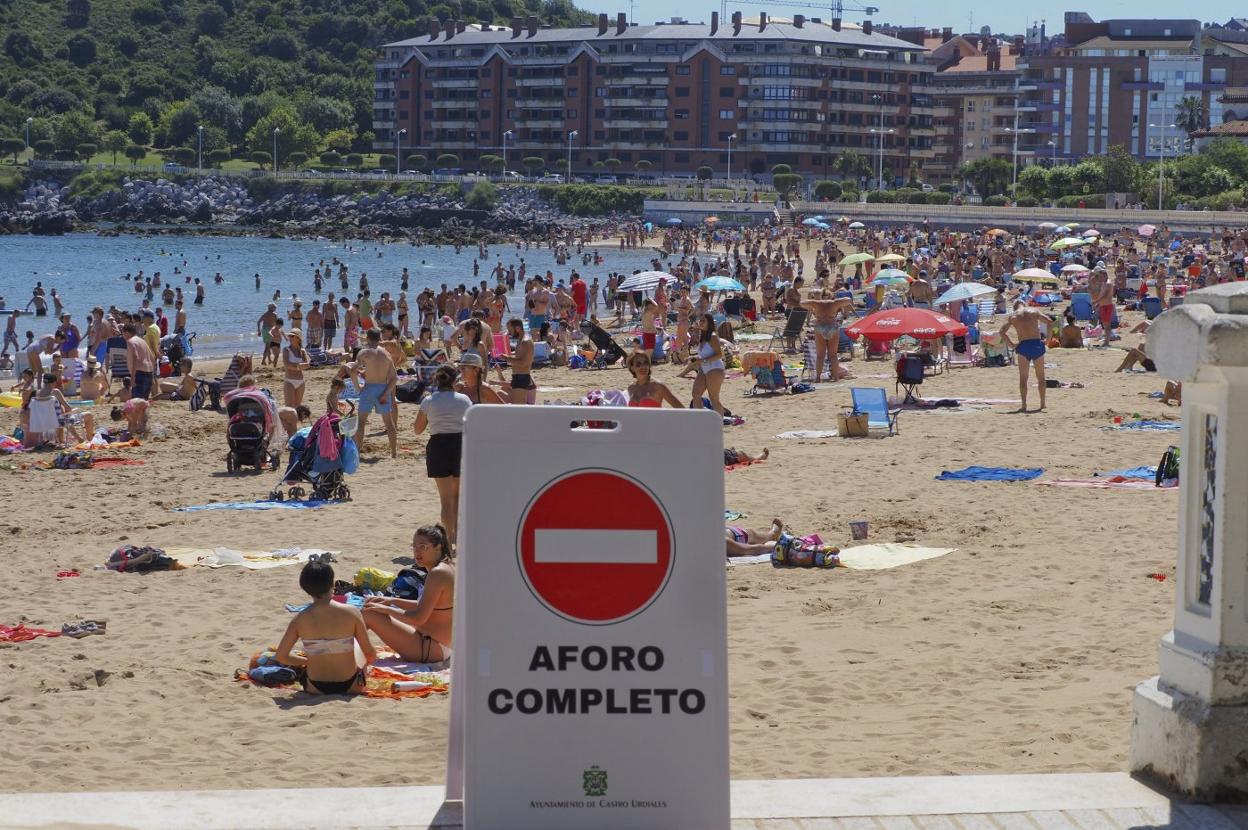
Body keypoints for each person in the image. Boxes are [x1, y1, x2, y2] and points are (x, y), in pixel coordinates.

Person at [276, 558, 377, 695]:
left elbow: (281, 656)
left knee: (315, 649)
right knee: (356, 645)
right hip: (351, 684)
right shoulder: (352, 612)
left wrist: (308, 661)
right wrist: (363, 666)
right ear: (332, 584)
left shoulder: (299, 619)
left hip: (315, 687)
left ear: (305, 587)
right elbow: (370, 653)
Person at [362, 525, 455, 663]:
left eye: (423, 547)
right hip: (436, 645)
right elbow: (425, 605)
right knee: (372, 608)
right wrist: (390, 600)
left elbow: (418, 618)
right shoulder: (445, 568)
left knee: (370, 614)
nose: (417, 552)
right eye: (414, 546)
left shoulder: (438, 573)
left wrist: (386, 609)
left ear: (438, 547)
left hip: (431, 648)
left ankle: (339, 653)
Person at [413, 365, 471, 543]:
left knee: (445, 500)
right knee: (457, 497)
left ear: (436, 380)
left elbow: (417, 430)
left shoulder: (429, 401)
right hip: (460, 445)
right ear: (455, 380)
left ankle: (448, 538)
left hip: (438, 446)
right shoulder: (464, 400)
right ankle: (456, 537)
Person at [349, 328, 398, 459]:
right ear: (379, 337)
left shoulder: (364, 352)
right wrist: (385, 393)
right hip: (383, 388)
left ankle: (357, 452)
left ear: (368, 338)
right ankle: (393, 453)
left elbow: (353, 371)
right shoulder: (386, 354)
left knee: (361, 423)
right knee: (389, 423)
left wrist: (357, 386)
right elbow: (394, 378)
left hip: (369, 388)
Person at [999, 301, 1052, 413]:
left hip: (1023, 346)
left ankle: (1024, 405)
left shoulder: (1013, 316)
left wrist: (1012, 345)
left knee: (1023, 378)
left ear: (1014, 307)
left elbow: (1002, 332)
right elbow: (1049, 322)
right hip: (1037, 344)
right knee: (1041, 377)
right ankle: (1042, 404)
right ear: (1024, 304)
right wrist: (1047, 341)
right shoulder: (1033, 311)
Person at [801, 290, 854, 383]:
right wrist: (838, 301)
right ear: (831, 296)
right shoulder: (834, 303)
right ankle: (836, 377)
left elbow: (802, 303)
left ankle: (818, 377)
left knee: (820, 355)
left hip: (820, 326)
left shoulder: (817, 303)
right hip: (832, 326)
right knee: (833, 355)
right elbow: (848, 299)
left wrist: (813, 303)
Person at [688, 313, 726, 416]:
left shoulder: (712, 336)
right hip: (704, 369)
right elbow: (704, 354)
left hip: (715, 368)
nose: (701, 323)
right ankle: (701, 421)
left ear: (709, 323)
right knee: (696, 394)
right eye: (700, 320)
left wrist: (703, 361)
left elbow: (719, 354)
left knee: (714, 399)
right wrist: (694, 358)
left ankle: (719, 424)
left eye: (703, 321)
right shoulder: (702, 336)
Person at [497, 317, 534, 404]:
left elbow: (523, 362)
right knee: (517, 404)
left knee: (519, 405)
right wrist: (508, 356)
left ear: (517, 328)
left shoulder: (525, 342)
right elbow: (519, 357)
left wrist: (506, 358)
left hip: (522, 377)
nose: (509, 332)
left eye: (510, 329)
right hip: (518, 376)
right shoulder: (521, 340)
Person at [123, 324, 155, 399]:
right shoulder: (142, 341)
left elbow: (135, 358)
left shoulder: (130, 342)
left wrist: (133, 377)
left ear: (127, 332)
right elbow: (152, 358)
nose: (123, 336)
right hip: (149, 372)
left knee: (136, 401)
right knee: (144, 402)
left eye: (123, 333)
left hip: (139, 373)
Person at [282, 330, 309, 407]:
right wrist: (299, 367)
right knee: (289, 407)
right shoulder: (286, 349)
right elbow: (287, 365)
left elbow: (307, 365)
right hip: (289, 381)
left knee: (298, 407)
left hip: (301, 382)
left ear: (298, 338)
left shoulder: (302, 351)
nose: (290, 338)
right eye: (289, 336)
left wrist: (294, 365)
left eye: (292, 336)